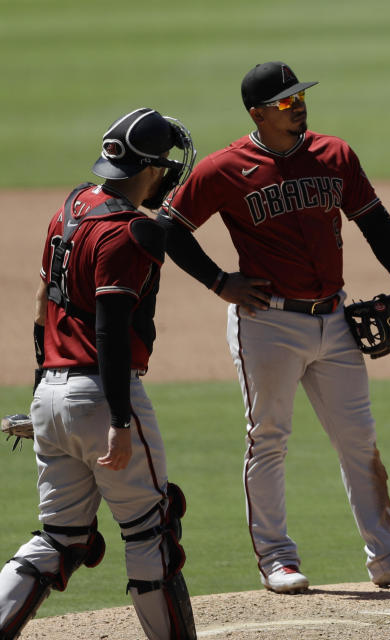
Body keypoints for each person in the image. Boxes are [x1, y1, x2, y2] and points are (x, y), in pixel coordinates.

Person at [157, 61, 390, 594]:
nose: (298, 106)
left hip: (334, 317)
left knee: (360, 442)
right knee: (268, 440)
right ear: (257, 113)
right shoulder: (223, 168)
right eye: (285, 102)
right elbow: (168, 227)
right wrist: (220, 282)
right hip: (267, 323)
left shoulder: (335, 155)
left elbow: (374, 220)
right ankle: (276, 557)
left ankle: (389, 557)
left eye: (300, 97)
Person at [0, 108, 198, 639]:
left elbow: (42, 305)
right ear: (153, 168)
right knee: (149, 530)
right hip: (103, 394)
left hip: (53, 389)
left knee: (60, 537)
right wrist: (118, 420)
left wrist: (43, 395)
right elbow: (110, 333)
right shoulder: (129, 232)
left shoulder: (70, 208)